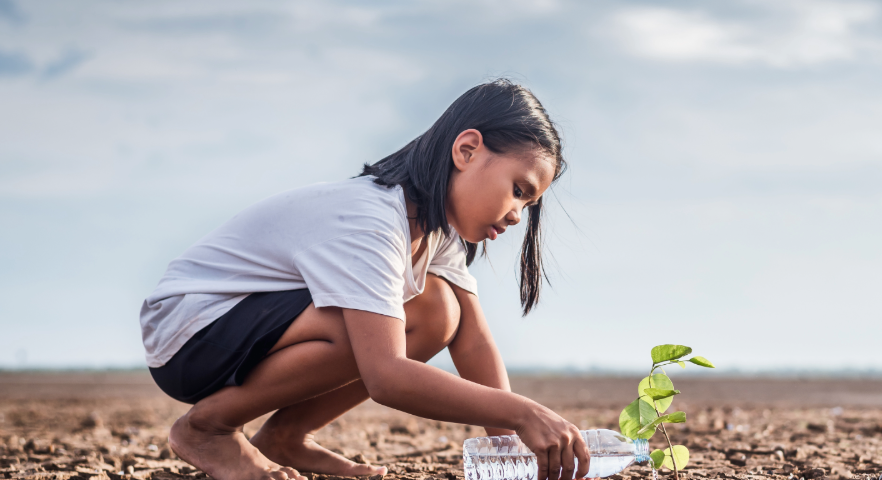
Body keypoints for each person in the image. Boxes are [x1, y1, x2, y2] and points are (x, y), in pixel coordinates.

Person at [139, 80, 589, 480]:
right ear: (466, 150)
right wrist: (523, 411)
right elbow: (386, 376)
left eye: (528, 205)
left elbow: (473, 342)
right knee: (365, 323)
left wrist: (507, 449)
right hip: (190, 331)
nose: (517, 215)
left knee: (438, 310)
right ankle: (207, 428)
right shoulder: (373, 220)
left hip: (241, 328)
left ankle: (286, 436)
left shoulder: (435, 230)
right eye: (518, 190)